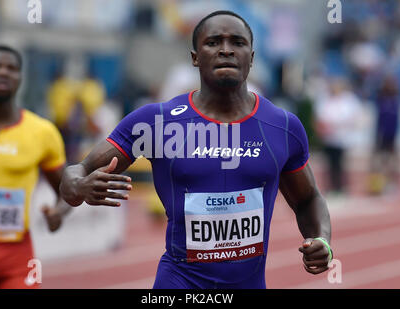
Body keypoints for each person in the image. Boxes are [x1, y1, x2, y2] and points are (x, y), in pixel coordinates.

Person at [60, 10, 332, 289]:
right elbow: (76, 173)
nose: (226, 50)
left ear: (251, 57)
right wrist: (78, 187)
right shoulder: (156, 122)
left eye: (237, 42)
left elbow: (307, 199)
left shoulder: (283, 126)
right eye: (213, 42)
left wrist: (322, 239)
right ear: (194, 57)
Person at [0, 45, 70, 289]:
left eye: (12, 68)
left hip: (18, 253)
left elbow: (67, 191)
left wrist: (58, 214)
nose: (4, 73)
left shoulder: (42, 133)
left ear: (21, 77)